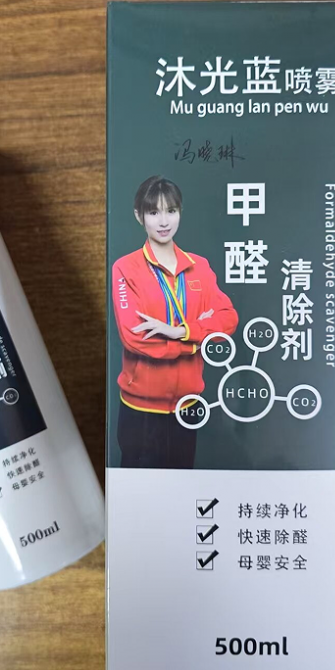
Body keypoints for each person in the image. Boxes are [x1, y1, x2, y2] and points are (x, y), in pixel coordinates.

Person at [112, 175, 238, 468]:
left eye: (171, 211)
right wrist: (195, 343)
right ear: (139, 216)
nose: (163, 221)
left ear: (180, 212)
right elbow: (135, 337)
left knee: (182, 485)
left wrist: (178, 331)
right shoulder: (125, 268)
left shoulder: (199, 266)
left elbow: (228, 317)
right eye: (153, 212)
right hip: (141, 409)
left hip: (188, 405)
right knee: (140, 489)